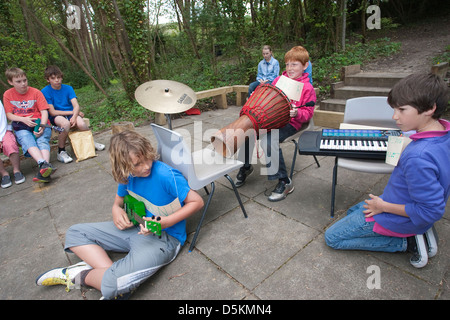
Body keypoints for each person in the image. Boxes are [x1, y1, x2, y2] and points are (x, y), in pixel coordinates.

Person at [35, 130, 204, 299]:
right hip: (136, 227)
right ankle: (113, 277)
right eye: (137, 164)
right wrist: (116, 210)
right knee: (75, 233)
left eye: (147, 158)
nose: (146, 166)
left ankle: (79, 276)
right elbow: (118, 202)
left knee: (112, 285)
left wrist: (165, 222)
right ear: (123, 166)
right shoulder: (127, 175)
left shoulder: (165, 174)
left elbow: (197, 202)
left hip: (165, 237)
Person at [324, 73, 449, 260]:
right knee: (353, 211)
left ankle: (406, 243)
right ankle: (412, 231)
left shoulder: (419, 157)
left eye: (402, 110)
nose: (394, 116)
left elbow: (430, 211)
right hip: (398, 201)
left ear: (430, 109)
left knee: (332, 237)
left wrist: (382, 206)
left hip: (396, 216)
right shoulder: (443, 132)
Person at [236, 45, 317, 202]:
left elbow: (308, 114)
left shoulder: (308, 88)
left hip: (292, 122)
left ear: (305, 65)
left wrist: (297, 112)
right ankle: (246, 167)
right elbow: (268, 98)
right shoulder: (280, 80)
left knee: (268, 140)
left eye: (294, 64)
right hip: (273, 118)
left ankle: (284, 181)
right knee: (246, 130)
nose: (290, 68)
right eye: (287, 64)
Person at [41, 65, 105, 164]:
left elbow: (76, 105)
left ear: (61, 77)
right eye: (53, 78)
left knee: (82, 124)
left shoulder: (68, 88)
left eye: (58, 77)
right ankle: (61, 151)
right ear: (48, 79)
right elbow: (52, 112)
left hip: (72, 114)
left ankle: (91, 142)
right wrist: (74, 112)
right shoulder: (45, 91)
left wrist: (75, 116)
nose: (57, 80)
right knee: (65, 124)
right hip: (57, 116)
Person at [3, 68, 56, 183]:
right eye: (18, 81)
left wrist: (42, 126)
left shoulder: (36, 92)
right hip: (21, 126)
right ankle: (44, 166)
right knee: (26, 139)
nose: (23, 84)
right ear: (10, 82)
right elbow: (9, 115)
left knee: (42, 140)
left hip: (40, 123)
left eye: (24, 80)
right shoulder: (8, 94)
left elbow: (44, 112)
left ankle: (44, 167)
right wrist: (24, 119)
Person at [0, 100, 25, 188]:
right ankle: (4, 174)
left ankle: (17, 170)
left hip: (3, 130)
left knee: (9, 143)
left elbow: (1, 119)